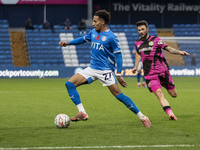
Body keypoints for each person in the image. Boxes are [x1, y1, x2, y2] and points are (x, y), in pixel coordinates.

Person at [59, 10, 151, 128]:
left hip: (105, 70)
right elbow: (82, 39)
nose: (93, 23)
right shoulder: (93, 32)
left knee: (119, 95)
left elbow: (119, 55)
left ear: (102, 22)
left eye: (95, 21)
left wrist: (118, 74)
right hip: (92, 68)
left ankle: (142, 117)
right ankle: (82, 112)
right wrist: (68, 43)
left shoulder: (111, 37)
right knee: (69, 84)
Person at [132, 20, 190, 120]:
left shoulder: (156, 40)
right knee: (159, 94)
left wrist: (180, 52)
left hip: (163, 72)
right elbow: (138, 53)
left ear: (147, 29)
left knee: (174, 94)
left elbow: (168, 49)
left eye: (142, 29)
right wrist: (135, 66)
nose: (141, 31)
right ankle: (170, 114)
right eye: (139, 30)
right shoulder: (137, 43)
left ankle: (163, 84)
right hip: (150, 75)